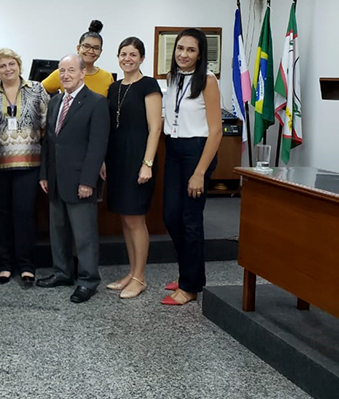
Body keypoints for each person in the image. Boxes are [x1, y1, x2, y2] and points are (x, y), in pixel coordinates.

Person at [37, 54, 109, 304]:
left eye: (70, 70)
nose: (65, 75)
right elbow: (49, 142)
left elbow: (97, 146)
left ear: (82, 74)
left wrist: (89, 181)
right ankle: (62, 272)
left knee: (84, 234)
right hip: (55, 179)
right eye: (61, 70)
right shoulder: (56, 101)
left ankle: (88, 280)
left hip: (81, 181)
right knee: (58, 231)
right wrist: (44, 174)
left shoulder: (96, 103)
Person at [161, 28, 222, 306]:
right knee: (171, 216)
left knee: (190, 220)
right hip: (173, 149)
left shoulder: (207, 81)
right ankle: (188, 272)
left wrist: (199, 172)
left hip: (197, 152)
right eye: (180, 48)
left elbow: (216, 131)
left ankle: (190, 285)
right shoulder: (172, 77)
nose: (183, 54)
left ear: (200, 55)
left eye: (191, 50)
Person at [103, 37, 162, 299]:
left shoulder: (148, 85)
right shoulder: (113, 87)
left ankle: (140, 277)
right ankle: (131, 272)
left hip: (139, 159)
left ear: (142, 58)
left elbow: (155, 127)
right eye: (123, 54)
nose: (128, 58)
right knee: (125, 219)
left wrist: (147, 163)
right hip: (117, 159)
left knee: (136, 218)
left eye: (133, 54)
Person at [0, 48, 49, 287]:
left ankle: (26, 266)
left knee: (24, 214)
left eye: (11, 64)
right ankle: (5, 264)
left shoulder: (36, 89)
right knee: (2, 215)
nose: (7, 69)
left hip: (29, 163)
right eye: (2, 66)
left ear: (19, 66)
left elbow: (47, 124)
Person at [41, 20, 114, 97]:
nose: (91, 51)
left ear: (100, 51)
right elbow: (37, 92)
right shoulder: (63, 73)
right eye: (86, 46)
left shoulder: (107, 77)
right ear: (78, 48)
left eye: (96, 48)